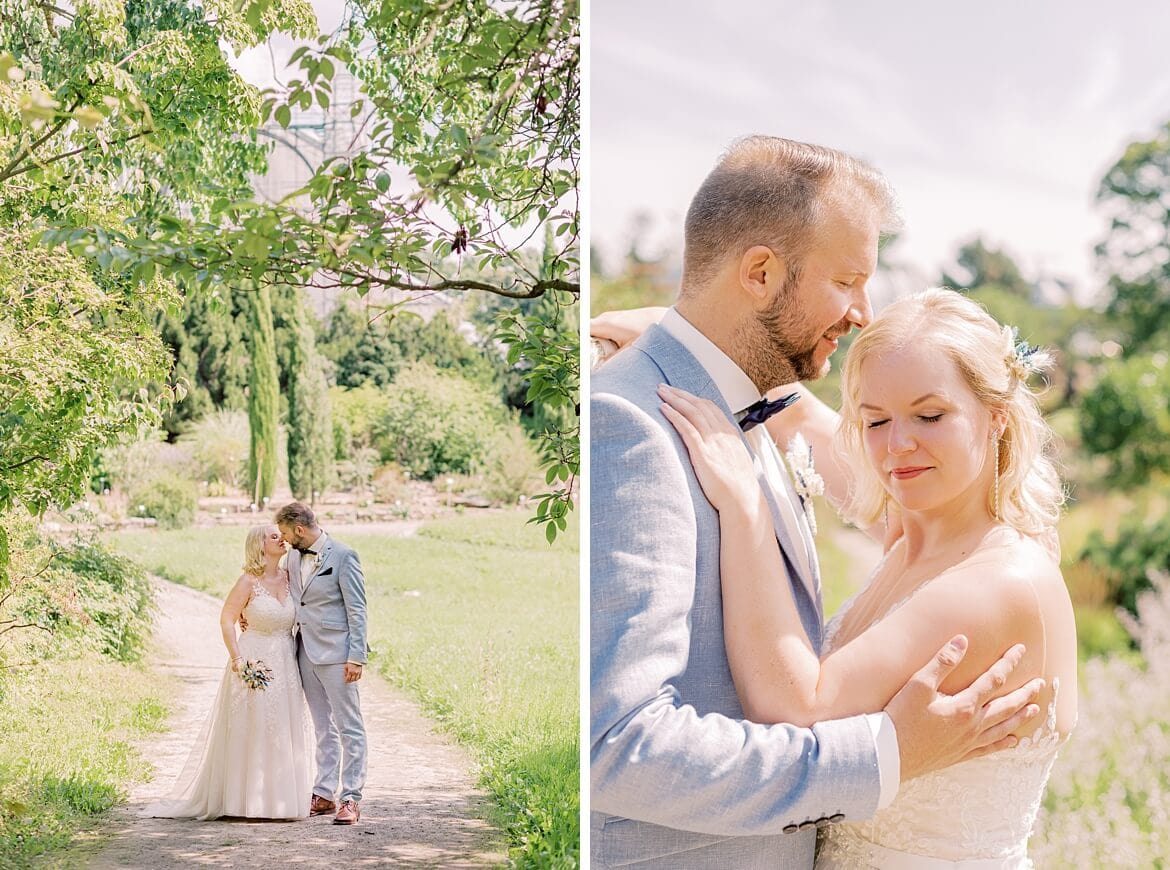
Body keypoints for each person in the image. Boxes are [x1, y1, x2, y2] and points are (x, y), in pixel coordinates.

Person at [590, 136, 1044, 870]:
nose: (863, 311)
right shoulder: (633, 423)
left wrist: (700, 352)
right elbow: (615, 743)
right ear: (760, 273)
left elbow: (929, 496)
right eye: (848, 281)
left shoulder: (748, 409)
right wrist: (884, 756)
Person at [658, 288, 1077, 867]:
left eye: (930, 416)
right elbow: (804, 419)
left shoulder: (998, 583)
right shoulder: (920, 535)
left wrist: (744, 504)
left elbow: (798, 710)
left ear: (996, 414)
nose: (898, 446)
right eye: (875, 420)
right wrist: (676, 339)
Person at [145, 524, 311, 820]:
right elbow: (227, 619)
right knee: (253, 726)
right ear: (260, 545)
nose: (282, 539)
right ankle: (242, 801)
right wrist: (238, 660)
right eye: (274, 536)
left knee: (281, 727)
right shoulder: (248, 581)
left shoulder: (291, 578)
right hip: (254, 659)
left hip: (286, 661)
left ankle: (280, 801)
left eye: (281, 535)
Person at [275, 502, 369, 825]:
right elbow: (285, 595)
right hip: (304, 652)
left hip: (339, 655)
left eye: (286, 533)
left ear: (299, 529)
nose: (284, 539)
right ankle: (324, 793)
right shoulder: (292, 557)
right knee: (322, 726)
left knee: (349, 727)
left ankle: (351, 798)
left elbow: (357, 609)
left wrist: (356, 656)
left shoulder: (344, 556)